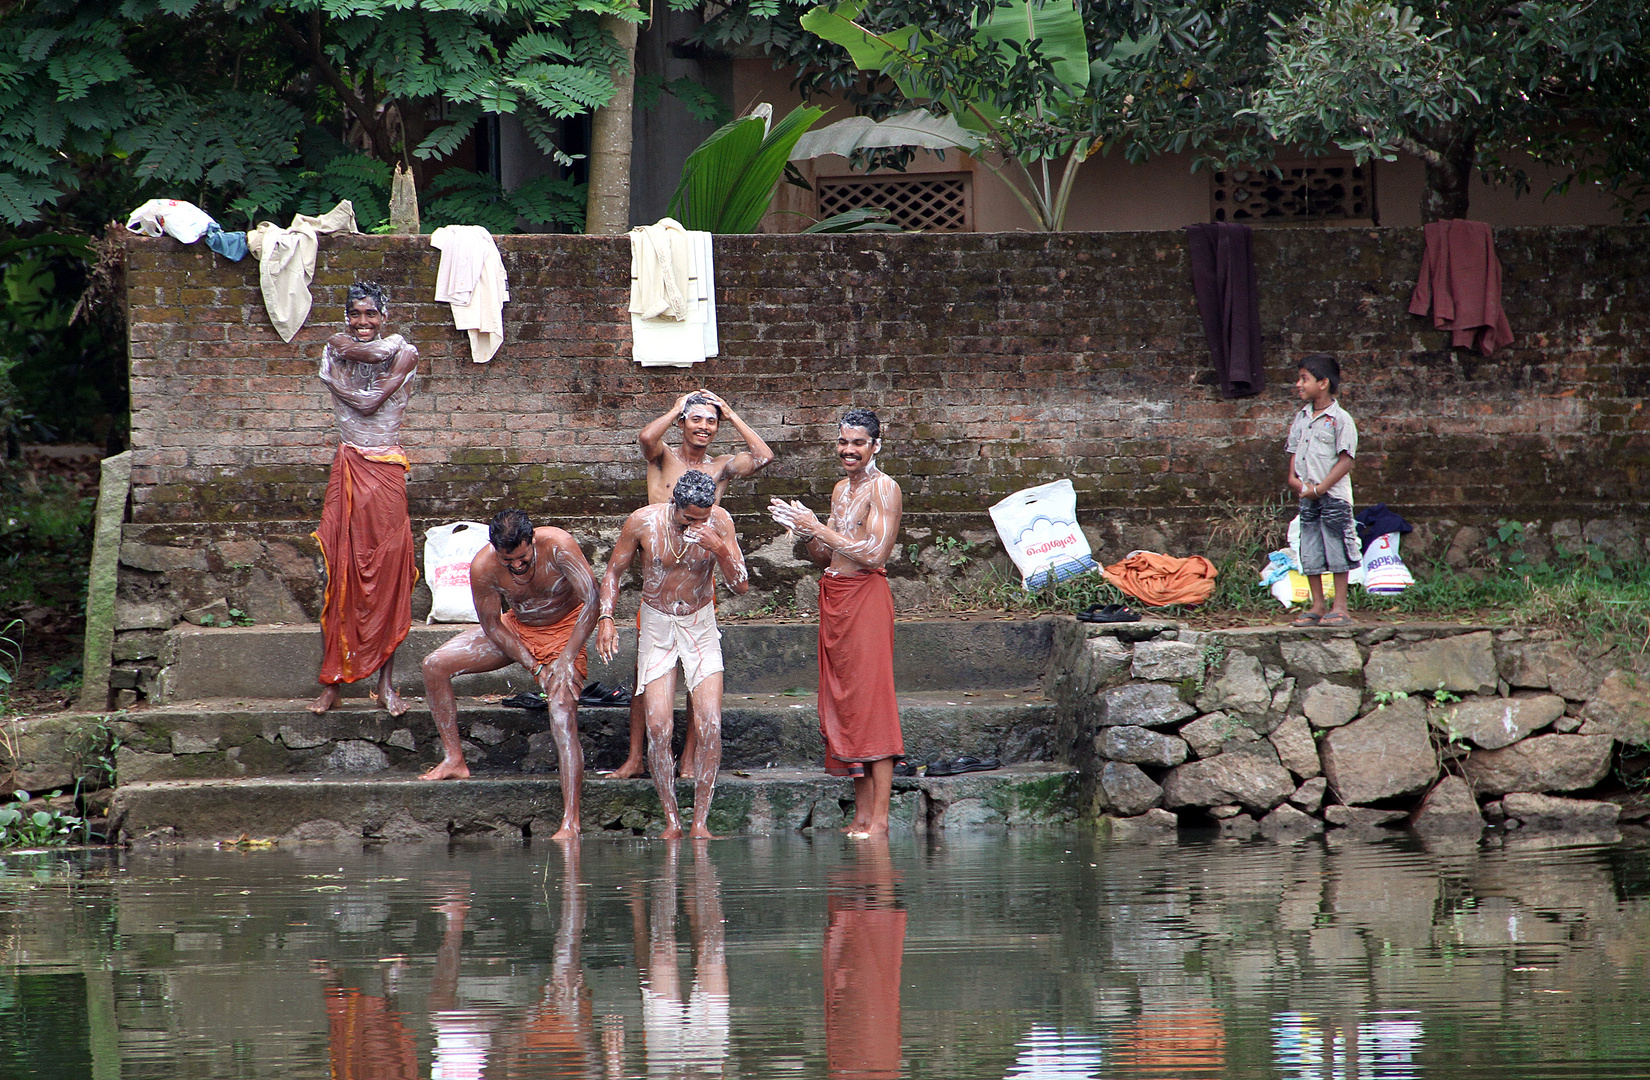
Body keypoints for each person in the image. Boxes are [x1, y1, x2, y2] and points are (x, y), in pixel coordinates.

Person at [606, 390, 776, 781]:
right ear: (683, 422)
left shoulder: (721, 466)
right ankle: (635, 758)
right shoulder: (663, 456)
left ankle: (687, 760)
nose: (703, 427)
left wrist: (731, 413)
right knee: (645, 675)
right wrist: (676, 407)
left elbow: (764, 457)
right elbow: (646, 438)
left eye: (710, 421)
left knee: (697, 676)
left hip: (698, 579)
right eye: (696, 419)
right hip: (658, 577)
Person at [418, 509, 598, 839]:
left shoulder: (558, 545)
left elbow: (592, 600)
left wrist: (565, 659)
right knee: (433, 665)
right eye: (508, 561)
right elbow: (490, 624)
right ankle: (454, 760)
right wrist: (534, 665)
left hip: (564, 632)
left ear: (532, 540)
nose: (516, 566)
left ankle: (571, 821)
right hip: (517, 628)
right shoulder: (484, 566)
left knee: (561, 711)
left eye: (523, 559)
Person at [768, 408, 904, 838]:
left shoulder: (886, 489)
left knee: (872, 706)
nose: (849, 450)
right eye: (844, 442)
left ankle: (879, 820)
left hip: (865, 599)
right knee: (847, 706)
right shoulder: (840, 490)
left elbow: (875, 553)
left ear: (875, 445)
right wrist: (807, 533)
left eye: (858, 443)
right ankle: (861, 816)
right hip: (835, 598)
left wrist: (818, 529)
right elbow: (826, 557)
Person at [598, 471, 750, 839]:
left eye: (703, 517)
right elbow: (614, 573)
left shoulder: (721, 522)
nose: (696, 525)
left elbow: (741, 585)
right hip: (657, 623)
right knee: (659, 727)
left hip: (699, 621)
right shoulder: (643, 521)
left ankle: (700, 823)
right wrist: (606, 617)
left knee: (711, 723)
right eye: (688, 519)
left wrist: (721, 548)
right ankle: (672, 822)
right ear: (674, 506)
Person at [310, 281, 420, 717]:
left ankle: (386, 686)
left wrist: (338, 377)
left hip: (386, 470)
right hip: (349, 467)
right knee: (340, 573)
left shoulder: (404, 351)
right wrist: (340, 363)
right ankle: (332, 683)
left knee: (389, 575)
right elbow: (353, 364)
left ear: (384, 317)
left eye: (370, 314)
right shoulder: (334, 345)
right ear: (346, 317)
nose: (362, 322)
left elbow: (372, 403)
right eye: (355, 315)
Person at [1285, 353, 1359, 627]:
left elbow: (1346, 460)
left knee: (1337, 547)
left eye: (1304, 379)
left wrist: (1321, 488)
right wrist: (1294, 480)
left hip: (1333, 498)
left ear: (1323, 383)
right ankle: (1317, 605)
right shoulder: (1302, 417)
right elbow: (1294, 451)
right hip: (1308, 496)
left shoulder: (1340, 419)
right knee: (1311, 549)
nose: (1298, 384)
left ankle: (1340, 607)